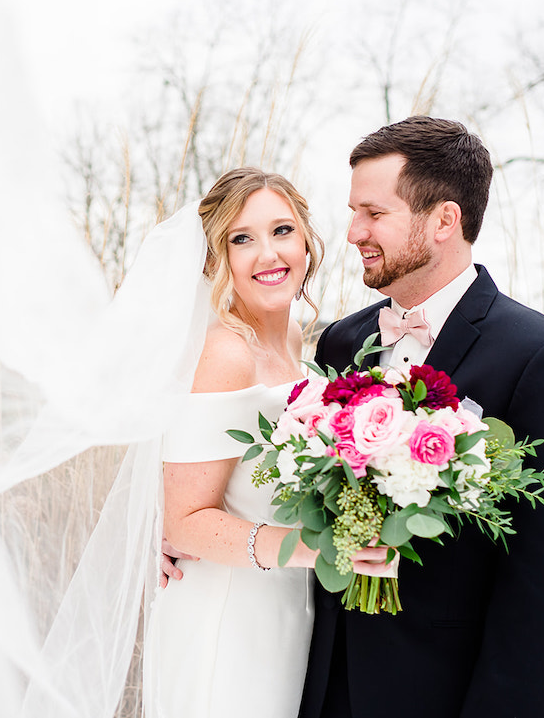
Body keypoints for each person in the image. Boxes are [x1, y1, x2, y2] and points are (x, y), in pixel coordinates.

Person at [298, 116, 544, 718]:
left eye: (374, 213)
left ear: (443, 220)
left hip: (440, 693)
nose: (353, 230)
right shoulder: (340, 342)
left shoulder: (539, 357)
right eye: (353, 211)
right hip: (323, 682)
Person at [143, 168, 392, 718]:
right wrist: (321, 550)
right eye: (241, 238)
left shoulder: (299, 342)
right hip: (227, 616)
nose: (268, 254)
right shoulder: (226, 354)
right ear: (216, 260)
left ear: (307, 240)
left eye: (282, 230)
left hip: (287, 610)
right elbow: (182, 521)